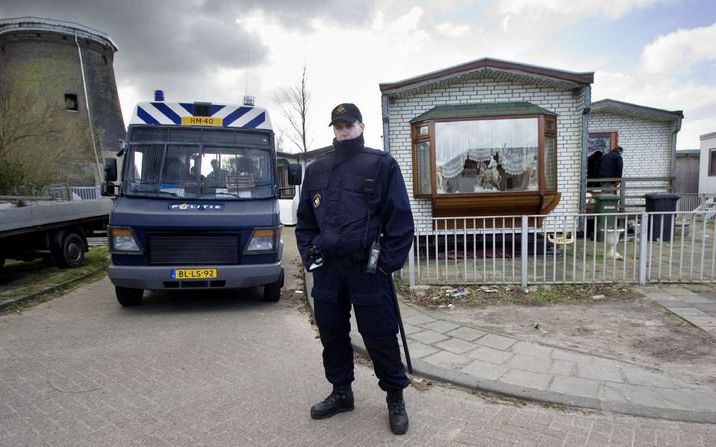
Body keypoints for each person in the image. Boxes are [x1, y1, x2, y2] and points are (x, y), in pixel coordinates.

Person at [295, 103, 414, 435]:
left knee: (379, 336)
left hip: (367, 269)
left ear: (361, 126)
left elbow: (400, 221)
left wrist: (386, 264)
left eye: (348, 125)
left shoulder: (381, 165)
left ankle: (394, 397)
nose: (343, 131)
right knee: (332, 334)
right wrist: (309, 255)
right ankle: (342, 392)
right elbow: (304, 222)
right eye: (338, 126)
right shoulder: (317, 170)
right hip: (328, 270)